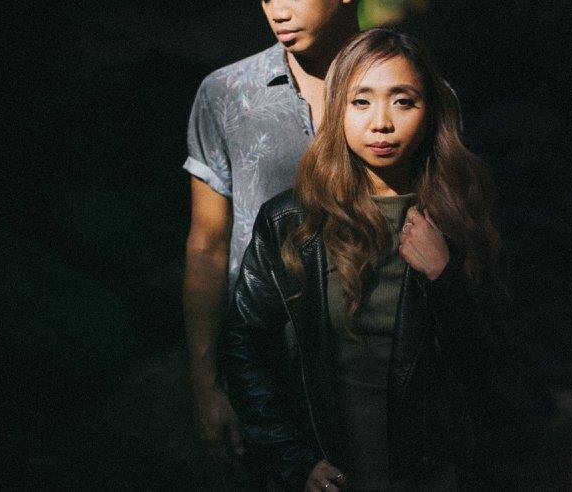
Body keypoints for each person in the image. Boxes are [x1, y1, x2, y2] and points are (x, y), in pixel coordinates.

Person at [222, 29, 518, 490]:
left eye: (403, 102)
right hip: (328, 474)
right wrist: (296, 460)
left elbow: (492, 363)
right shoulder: (291, 222)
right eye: (361, 101)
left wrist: (444, 276)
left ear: (430, 111)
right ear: (337, 109)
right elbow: (245, 346)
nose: (381, 122)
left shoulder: (461, 216)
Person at [183, 0, 402, 465]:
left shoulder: (407, 94)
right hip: (265, 372)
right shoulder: (225, 95)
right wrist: (206, 384)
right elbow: (207, 245)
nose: (276, 11)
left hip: (384, 371)